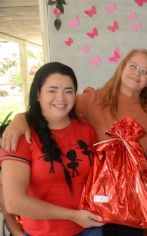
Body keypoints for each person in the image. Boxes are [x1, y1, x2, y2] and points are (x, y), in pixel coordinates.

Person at [1, 49, 147, 236]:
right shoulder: (93, 100)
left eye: (144, 71)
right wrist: (21, 118)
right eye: (133, 66)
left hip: (121, 209)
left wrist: (143, 197)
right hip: (89, 213)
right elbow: (54, 106)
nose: (137, 73)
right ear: (122, 67)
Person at [0, 62, 104, 236]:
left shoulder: (86, 130)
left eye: (68, 91)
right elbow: (14, 202)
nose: (61, 98)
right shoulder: (20, 136)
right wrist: (73, 216)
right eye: (52, 90)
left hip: (89, 228)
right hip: (44, 232)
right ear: (38, 94)